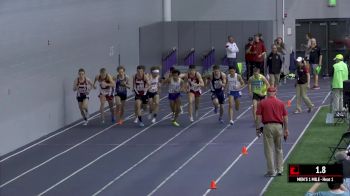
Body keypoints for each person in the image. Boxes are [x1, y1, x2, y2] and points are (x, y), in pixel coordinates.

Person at [256, 87, 288, 177]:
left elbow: (258, 117)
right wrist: (286, 129)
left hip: (268, 126)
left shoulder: (262, 103)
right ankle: (280, 169)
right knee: (279, 149)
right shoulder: (281, 103)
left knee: (269, 149)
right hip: (279, 127)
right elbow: (285, 117)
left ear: (267, 92)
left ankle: (271, 171)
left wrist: (257, 129)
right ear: (275, 92)